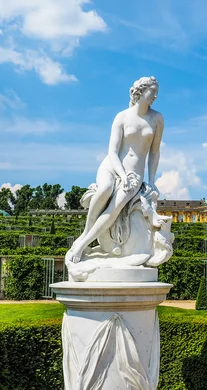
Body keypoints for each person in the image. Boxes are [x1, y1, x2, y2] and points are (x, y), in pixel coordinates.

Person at [67, 77, 164, 263]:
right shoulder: (122, 117)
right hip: (112, 166)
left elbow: (155, 152)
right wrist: (121, 174)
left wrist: (151, 181)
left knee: (114, 208)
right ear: (141, 92)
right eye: (153, 92)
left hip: (134, 174)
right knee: (104, 190)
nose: (155, 96)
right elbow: (112, 151)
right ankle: (85, 235)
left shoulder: (157, 118)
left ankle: (81, 245)